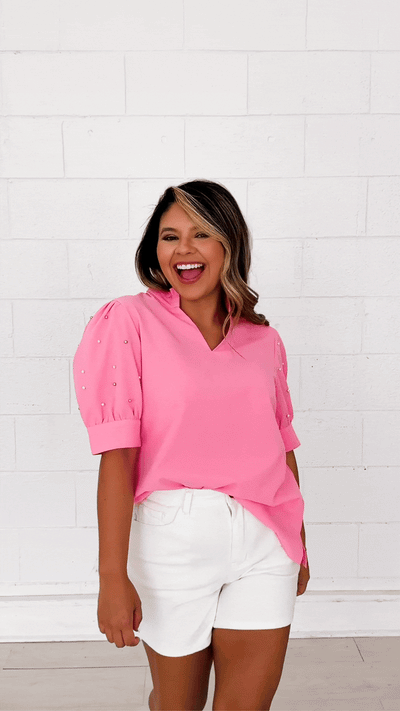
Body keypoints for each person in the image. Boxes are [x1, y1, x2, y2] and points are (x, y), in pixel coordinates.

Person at [73, 179, 310, 711]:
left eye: (201, 233)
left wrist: (298, 539)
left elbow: (282, 446)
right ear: (154, 249)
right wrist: (112, 577)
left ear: (229, 243)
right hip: (172, 542)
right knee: (177, 704)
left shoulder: (264, 339)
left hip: (266, 539)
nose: (184, 249)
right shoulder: (128, 320)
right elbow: (119, 455)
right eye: (169, 236)